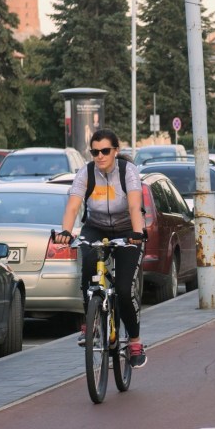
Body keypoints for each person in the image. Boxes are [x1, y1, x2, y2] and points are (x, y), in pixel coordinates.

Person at [56, 129, 147, 368]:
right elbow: (73, 207)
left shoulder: (128, 172)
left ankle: (135, 341)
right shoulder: (86, 173)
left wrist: (137, 234)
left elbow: (135, 206)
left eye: (105, 151)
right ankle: (91, 321)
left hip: (129, 230)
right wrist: (66, 232)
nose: (100, 156)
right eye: (95, 152)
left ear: (116, 151)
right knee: (88, 263)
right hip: (96, 227)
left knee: (125, 290)